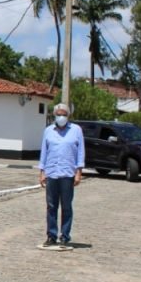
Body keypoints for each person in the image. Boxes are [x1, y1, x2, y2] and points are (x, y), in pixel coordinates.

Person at [38, 103, 84, 249]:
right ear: (54, 115)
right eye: (58, 114)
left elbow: (80, 152)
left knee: (66, 206)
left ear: (68, 115)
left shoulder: (76, 130)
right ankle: (51, 236)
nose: (61, 116)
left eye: (64, 114)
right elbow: (44, 151)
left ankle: (65, 236)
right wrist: (42, 171)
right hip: (52, 172)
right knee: (51, 206)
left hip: (67, 173)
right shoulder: (48, 131)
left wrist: (79, 172)